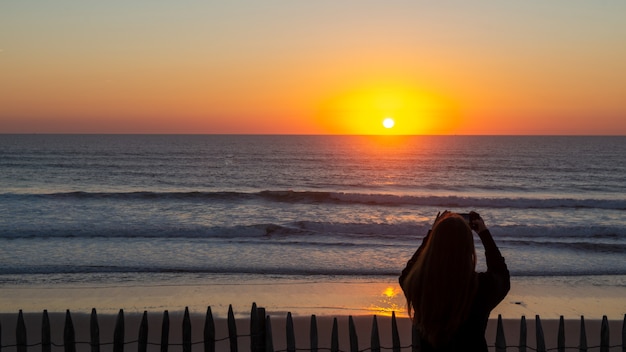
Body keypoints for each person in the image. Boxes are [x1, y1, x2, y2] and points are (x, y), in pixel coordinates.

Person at [399, 211, 510, 351]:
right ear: (468, 247)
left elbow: (408, 273)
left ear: (433, 245)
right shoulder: (480, 287)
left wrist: (432, 234)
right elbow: (501, 275)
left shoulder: (420, 285)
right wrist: (484, 233)